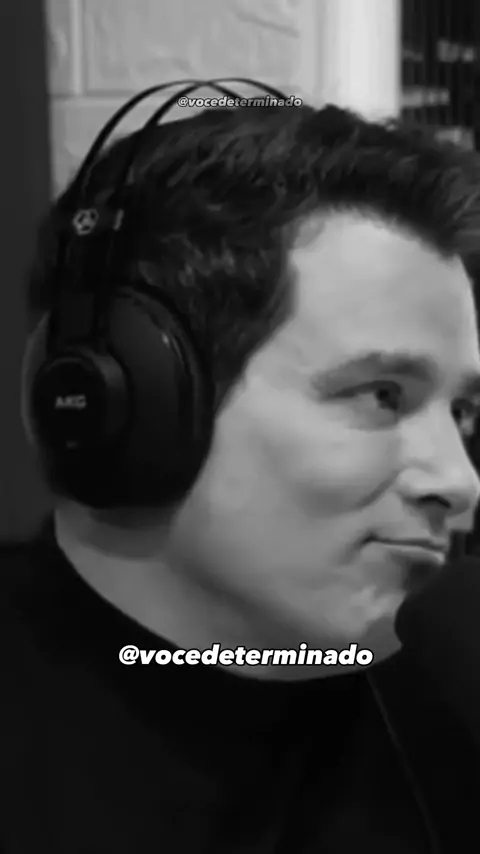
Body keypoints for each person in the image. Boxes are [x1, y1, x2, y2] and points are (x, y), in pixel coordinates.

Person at [1, 92, 480, 854]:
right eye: (382, 395)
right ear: (129, 398)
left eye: (461, 414)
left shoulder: (449, 696)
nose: (459, 482)